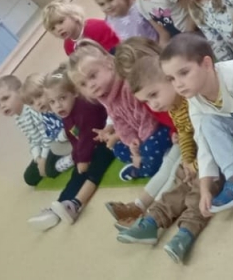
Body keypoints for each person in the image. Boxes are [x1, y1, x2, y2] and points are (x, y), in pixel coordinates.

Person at [110, 40, 209, 263]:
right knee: (179, 178)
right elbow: (184, 130)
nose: (152, 104)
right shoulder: (173, 105)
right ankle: (152, 220)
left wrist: (193, 160)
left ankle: (186, 231)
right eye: (147, 99)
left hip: (213, 152)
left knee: (196, 186)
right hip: (193, 148)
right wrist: (188, 159)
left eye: (153, 94)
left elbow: (208, 132)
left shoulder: (191, 95)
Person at [160, 32, 233, 216]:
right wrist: (205, 189)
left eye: (183, 73)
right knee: (207, 123)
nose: (178, 84)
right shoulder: (194, 99)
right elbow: (203, 143)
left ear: (207, 64)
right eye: (171, 79)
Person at [69, 39, 176, 183]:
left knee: (150, 150)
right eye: (83, 84)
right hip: (140, 133)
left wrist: (140, 143)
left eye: (93, 76)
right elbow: (120, 123)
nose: (91, 85)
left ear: (109, 64)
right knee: (117, 149)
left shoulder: (126, 85)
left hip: (157, 127)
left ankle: (143, 168)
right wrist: (131, 141)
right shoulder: (105, 97)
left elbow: (147, 116)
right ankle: (148, 159)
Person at [26, 70, 114, 231]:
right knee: (77, 174)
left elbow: (87, 136)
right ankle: (58, 207)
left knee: (93, 170)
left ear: (74, 93)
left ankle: (75, 204)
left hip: (105, 140)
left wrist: (83, 160)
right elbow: (74, 138)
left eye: (62, 98)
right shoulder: (67, 114)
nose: (58, 105)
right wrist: (77, 157)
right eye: (52, 102)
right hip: (91, 144)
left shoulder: (84, 108)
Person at [0, 74, 73, 187]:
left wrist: (43, 159)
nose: (2, 106)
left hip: (53, 142)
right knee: (29, 177)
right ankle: (57, 160)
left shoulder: (33, 110)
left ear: (20, 92)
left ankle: (71, 158)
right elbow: (33, 140)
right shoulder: (18, 119)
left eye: (5, 98)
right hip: (44, 148)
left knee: (49, 170)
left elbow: (47, 136)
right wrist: (37, 158)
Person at [42, 0, 121, 55]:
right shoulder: (68, 47)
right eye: (53, 28)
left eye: (61, 22)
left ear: (74, 16)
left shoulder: (96, 27)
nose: (58, 29)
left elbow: (117, 47)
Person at [94, 0, 159, 42]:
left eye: (110, 0)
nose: (107, 7)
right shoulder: (109, 22)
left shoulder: (139, 7)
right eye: (102, 4)